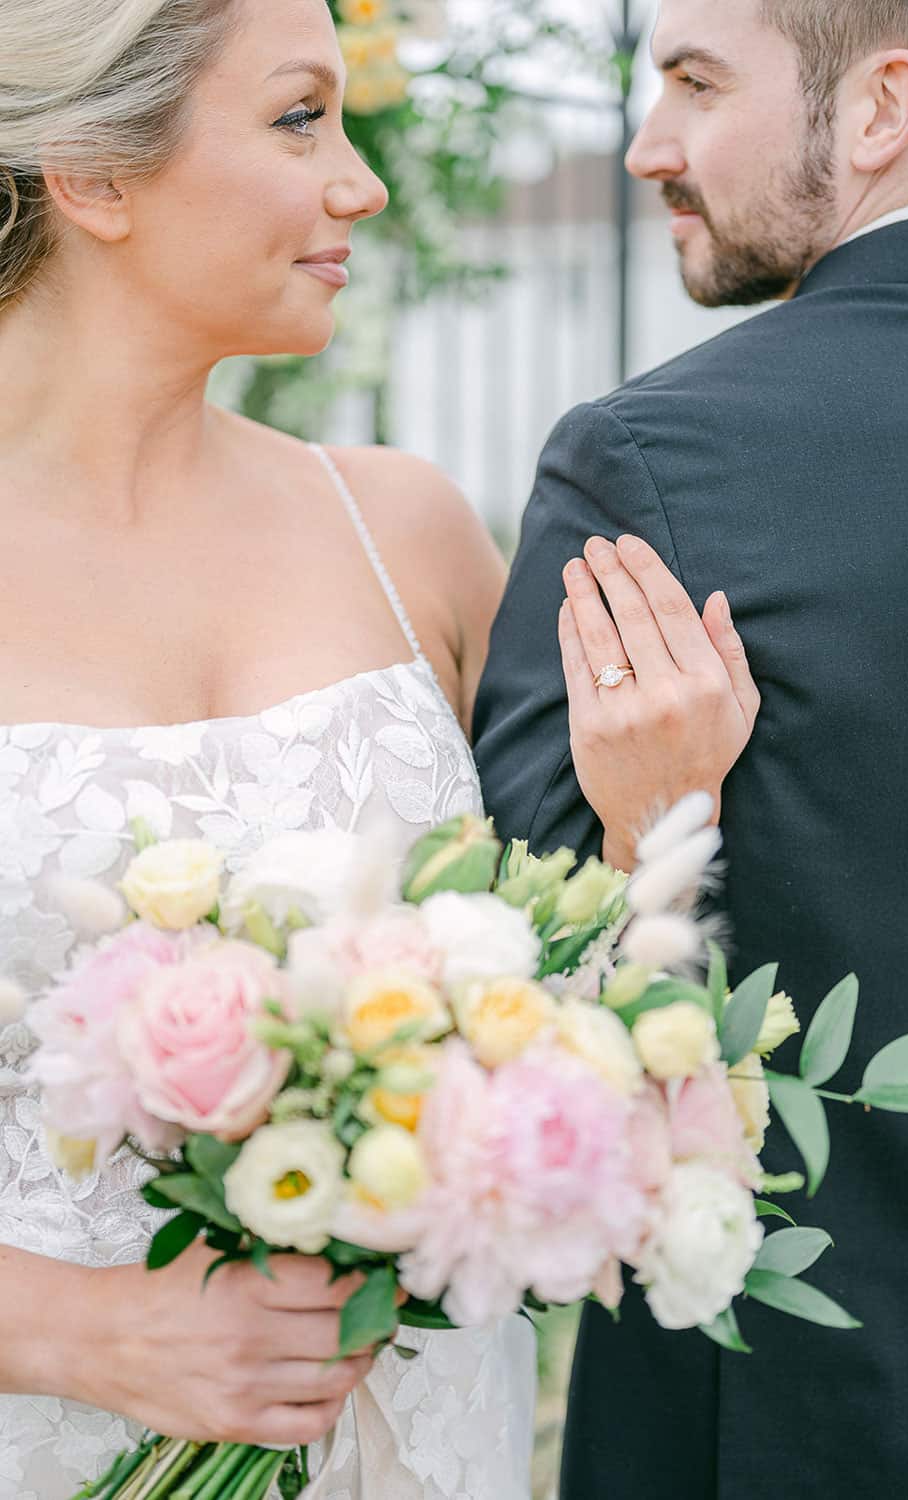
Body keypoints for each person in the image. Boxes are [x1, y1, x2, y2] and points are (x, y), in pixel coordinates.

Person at [0, 0, 755, 1494]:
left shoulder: (402, 526)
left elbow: (578, 1015)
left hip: (419, 1439)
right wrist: (72, 1329)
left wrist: (650, 825)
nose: (362, 184)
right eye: (298, 120)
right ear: (93, 173)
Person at [474, 0, 908, 1495]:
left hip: (797, 1394)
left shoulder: (652, 464)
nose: (649, 146)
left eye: (695, 84)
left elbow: (524, 975)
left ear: (881, 107)